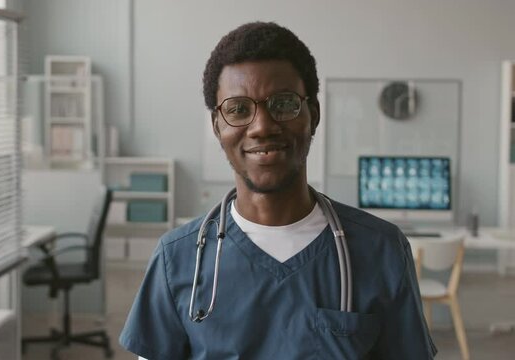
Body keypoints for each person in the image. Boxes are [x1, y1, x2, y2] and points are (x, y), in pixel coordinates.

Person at [119, 21, 436, 359]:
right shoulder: (178, 259)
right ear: (217, 126)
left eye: (283, 104)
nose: (262, 127)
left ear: (312, 114)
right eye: (238, 109)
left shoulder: (381, 250)